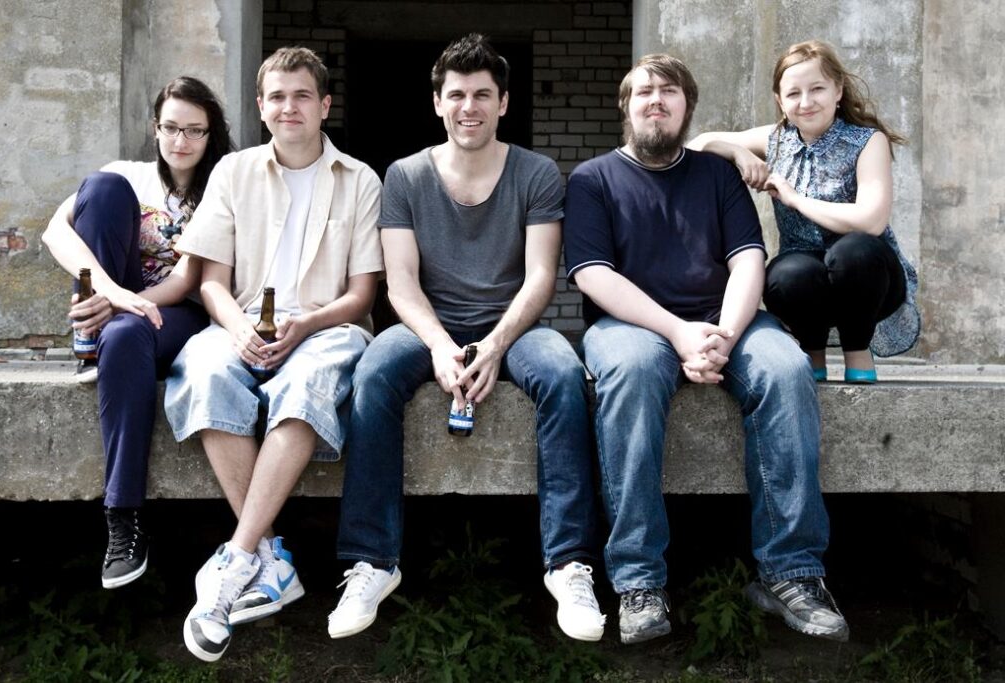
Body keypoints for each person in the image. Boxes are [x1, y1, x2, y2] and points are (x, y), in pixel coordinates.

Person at [328, 34, 605, 643]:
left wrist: (497, 345)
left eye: (483, 94)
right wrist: (436, 345)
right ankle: (370, 562)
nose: (469, 106)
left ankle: (569, 564)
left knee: (562, 373)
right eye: (456, 94)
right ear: (438, 103)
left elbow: (539, 279)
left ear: (503, 103)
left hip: (517, 326)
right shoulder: (404, 176)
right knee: (372, 373)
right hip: (429, 324)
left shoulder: (535, 173)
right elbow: (398, 284)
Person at [563, 53, 848, 644]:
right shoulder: (592, 180)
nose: (656, 101)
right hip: (632, 326)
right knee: (634, 372)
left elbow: (748, 258)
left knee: (786, 368)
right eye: (644, 92)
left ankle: (790, 573)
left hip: (726, 321)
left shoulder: (716, 176)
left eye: (669, 92)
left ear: (687, 107)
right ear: (626, 106)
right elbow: (593, 274)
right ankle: (639, 581)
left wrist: (725, 333)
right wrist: (678, 331)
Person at [163, 47, 383, 662]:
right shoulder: (232, 172)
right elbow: (209, 281)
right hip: (240, 321)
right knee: (203, 370)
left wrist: (305, 323)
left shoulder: (362, 179)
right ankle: (265, 559)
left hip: (328, 326)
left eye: (303, 96)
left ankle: (237, 558)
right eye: (278, 97)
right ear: (261, 107)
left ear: (325, 105)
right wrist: (237, 330)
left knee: (304, 385)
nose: (290, 107)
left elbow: (363, 294)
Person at [41, 76, 233, 590]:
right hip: (119, 304)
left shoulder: (220, 188)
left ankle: (123, 516)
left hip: (180, 317)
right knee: (102, 189)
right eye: (171, 128)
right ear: (156, 128)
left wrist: (127, 304)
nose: (180, 141)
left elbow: (187, 279)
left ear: (210, 135)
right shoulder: (129, 175)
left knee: (127, 334)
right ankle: (97, 344)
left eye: (194, 131)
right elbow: (55, 231)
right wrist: (108, 293)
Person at [688, 39, 920, 383]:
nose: (806, 102)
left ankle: (858, 352)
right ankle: (812, 353)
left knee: (854, 250)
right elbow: (698, 145)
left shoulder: (868, 140)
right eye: (794, 93)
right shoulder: (775, 140)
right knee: (787, 273)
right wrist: (739, 153)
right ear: (780, 101)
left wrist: (795, 199)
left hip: (872, 280)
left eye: (817, 89)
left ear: (838, 90)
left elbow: (871, 221)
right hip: (808, 284)